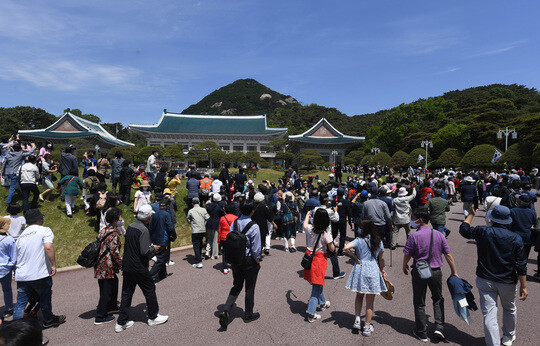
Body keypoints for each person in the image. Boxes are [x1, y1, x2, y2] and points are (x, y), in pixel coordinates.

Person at [460, 205, 528, 346]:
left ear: (492, 219)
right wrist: (524, 286)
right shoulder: (516, 238)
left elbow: (464, 230)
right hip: (507, 280)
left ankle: (493, 343)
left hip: (485, 278)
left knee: (489, 314)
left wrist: (471, 214)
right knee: (509, 308)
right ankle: (509, 337)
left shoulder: (483, 231)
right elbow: (521, 265)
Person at [402, 208, 458, 342]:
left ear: (420, 220)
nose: (412, 220)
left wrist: (404, 265)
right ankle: (439, 326)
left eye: (413, 218)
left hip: (419, 271)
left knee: (419, 302)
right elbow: (448, 255)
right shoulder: (439, 234)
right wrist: (454, 271)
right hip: (436, 271)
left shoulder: (414, 236)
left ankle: (421, 332)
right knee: (438, 298)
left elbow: (407, 254)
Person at [115, 205, 168, 333]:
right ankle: (153, 316)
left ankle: (121, 322)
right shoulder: (144, 230)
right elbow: (144, 251)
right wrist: (153, 249)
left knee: (126, 294)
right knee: (150, 289)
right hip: (139, 267)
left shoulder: (131, 226)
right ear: (149, 217)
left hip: (128, 265)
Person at [13, 209, 66, 328]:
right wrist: (53, 265)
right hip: (39, 273)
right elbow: (48, 247)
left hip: (22, 274)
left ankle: (16, 329)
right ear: (38, 219)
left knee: (21, 302)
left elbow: (17, 256)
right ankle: (48, 320)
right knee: (45, 297)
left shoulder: (21, 236)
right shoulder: (44, 230)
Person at [218, 200, 261, 330]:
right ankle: (248, 314)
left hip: (236, 259)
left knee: (236, 285)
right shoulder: (254, 226)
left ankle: (226, 309)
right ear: (252, 211)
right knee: (249, 287)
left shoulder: (235, 223)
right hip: (248, 260)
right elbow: (256, 248)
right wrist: (257, 260)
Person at [344, 220, 387, 336]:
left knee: (359, 296)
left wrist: (355, 258)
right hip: (373, 268)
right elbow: (381, 259)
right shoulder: (378, 241)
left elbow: (346, 248)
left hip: (361, 267)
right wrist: (382, 270)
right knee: (370, 301)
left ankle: (357, 320)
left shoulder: (359, 240)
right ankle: (367, 326)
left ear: (363, 228)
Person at [302, 209, 333, 323]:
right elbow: (332, 249)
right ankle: (311, 313)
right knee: (316, 286)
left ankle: (323, 303)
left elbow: (304, 224)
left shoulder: (310, 228)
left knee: (317, 282)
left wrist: (307, 215)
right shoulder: (326, 233)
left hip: (309, 257)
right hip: (319, 260)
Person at [94, 208, 123, 325]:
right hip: (107, 266)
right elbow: (114, 252)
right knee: (106, 290)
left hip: (100, 264)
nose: (122, 219)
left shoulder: (103, 230)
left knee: (113, 283)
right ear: (115, 220)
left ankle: (111, 306)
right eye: (120, 217)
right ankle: (100, 316)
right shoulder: (114, 234)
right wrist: (122, 265)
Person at [148, 200, 175, 283]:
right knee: (160, 259)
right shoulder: (167, 214)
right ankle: (150, 276)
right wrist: (174, 235)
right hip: (163, 239)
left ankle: (162, 274)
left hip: (155, 239)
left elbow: (150, 227)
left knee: (161, 256)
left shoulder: (154, 214)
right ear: (167, 206)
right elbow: (170, 227)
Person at [510, 194, 537, 262]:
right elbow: (535, 224)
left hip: (515, 236)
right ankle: (522, 270)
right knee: (524, 257)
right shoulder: (532, 213)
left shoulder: (513, 211)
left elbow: (509, 224)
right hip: (527, 237)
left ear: (519, 201)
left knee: (513, 256)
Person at [186, 198, 210, 268]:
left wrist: (192, 222)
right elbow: (208, 217)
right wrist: (204, 222)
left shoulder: (190, 211)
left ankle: (198, 261)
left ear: (192, 203)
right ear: (199, 202)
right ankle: (198, 256)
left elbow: (188, 220)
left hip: (195, 230)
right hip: (202, 229)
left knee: (196, 244)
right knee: (200, 243)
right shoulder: (203, 210)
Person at [0, 217, 16, 319]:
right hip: (5, 269)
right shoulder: (9, 240)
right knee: (7, 290)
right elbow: (13, 257)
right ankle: (9, 309)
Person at [218, 203, 238, 274]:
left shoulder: (222, 218)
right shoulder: (236, 218)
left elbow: (220, 230)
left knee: (225, 252)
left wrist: (219, 240)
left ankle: (225, 266)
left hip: (224, 237)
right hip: (234, 237)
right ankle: (234, 264)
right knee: (234, 251)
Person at [206, 193, 226, 259]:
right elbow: (223, 214)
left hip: (209, 223)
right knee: (215, 239)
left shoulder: (209, 205)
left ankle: (207, 251)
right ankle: (214, 254)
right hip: (216, 224)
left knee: (209, 238)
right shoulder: (219, 208)